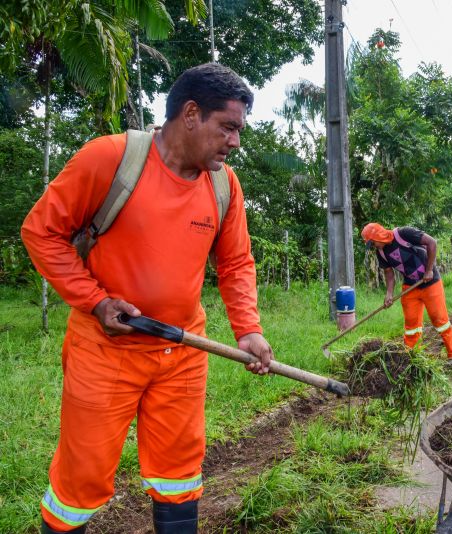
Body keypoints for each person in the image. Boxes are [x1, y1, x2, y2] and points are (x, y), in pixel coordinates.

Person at [21, 63, 274, 534]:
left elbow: (237, 263)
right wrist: (96, 301)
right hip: (105, 350)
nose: (235, 141)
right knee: (83, 475)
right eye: (229, 127)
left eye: (239, 130)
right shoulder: (111, 160)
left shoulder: (223, 186)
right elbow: (42, 232)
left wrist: (250, 330)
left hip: (183, 350)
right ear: (192, 114)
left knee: (179, 472)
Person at [362, 223, 452, 365]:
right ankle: (412, 358)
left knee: (440, 320)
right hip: (410, 286)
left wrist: (429, 270)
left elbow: (432, 243)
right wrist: (389, 294)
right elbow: (389, 274)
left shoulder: (404, 233)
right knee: (411, 325)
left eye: (373, 243)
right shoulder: (381, 252)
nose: (374, 247)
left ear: (379, 236)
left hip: (431, 282)